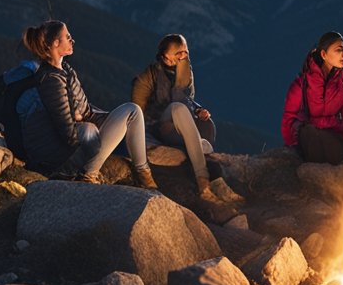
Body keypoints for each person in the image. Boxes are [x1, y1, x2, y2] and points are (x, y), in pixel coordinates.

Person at [18, 19, 156, 188]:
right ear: (55, 43)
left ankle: (143, 172)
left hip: (83, 132)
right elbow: (68, 135)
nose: (72, 40)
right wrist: (84, 122)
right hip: (65, 158)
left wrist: (103, 118)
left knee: (131, 113)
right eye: (67, 37)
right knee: (130, 111)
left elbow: (84, 109)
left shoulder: (64, 69)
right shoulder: (50, 81)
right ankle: (90, 174)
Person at [131, 34, 243, 207]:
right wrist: (157, 128)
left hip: (181, 123)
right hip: (160, 127)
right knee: (177, 108)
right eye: (179, 53)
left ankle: (217, 183)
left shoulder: (185, 71)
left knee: (203, 124)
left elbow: (187, 99)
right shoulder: (148, 77)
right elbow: (137, 113)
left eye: (186, 52)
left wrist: (198, 110)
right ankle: (203, 182)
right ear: (165, 56)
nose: (184, 56)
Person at [281, 31, 343, 164]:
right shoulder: (303, 84)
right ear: (324, 54)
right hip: (308, 139)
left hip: (333, 135)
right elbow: (289, 118)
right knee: (311, 132)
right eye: (338, 50)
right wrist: (292, 149)